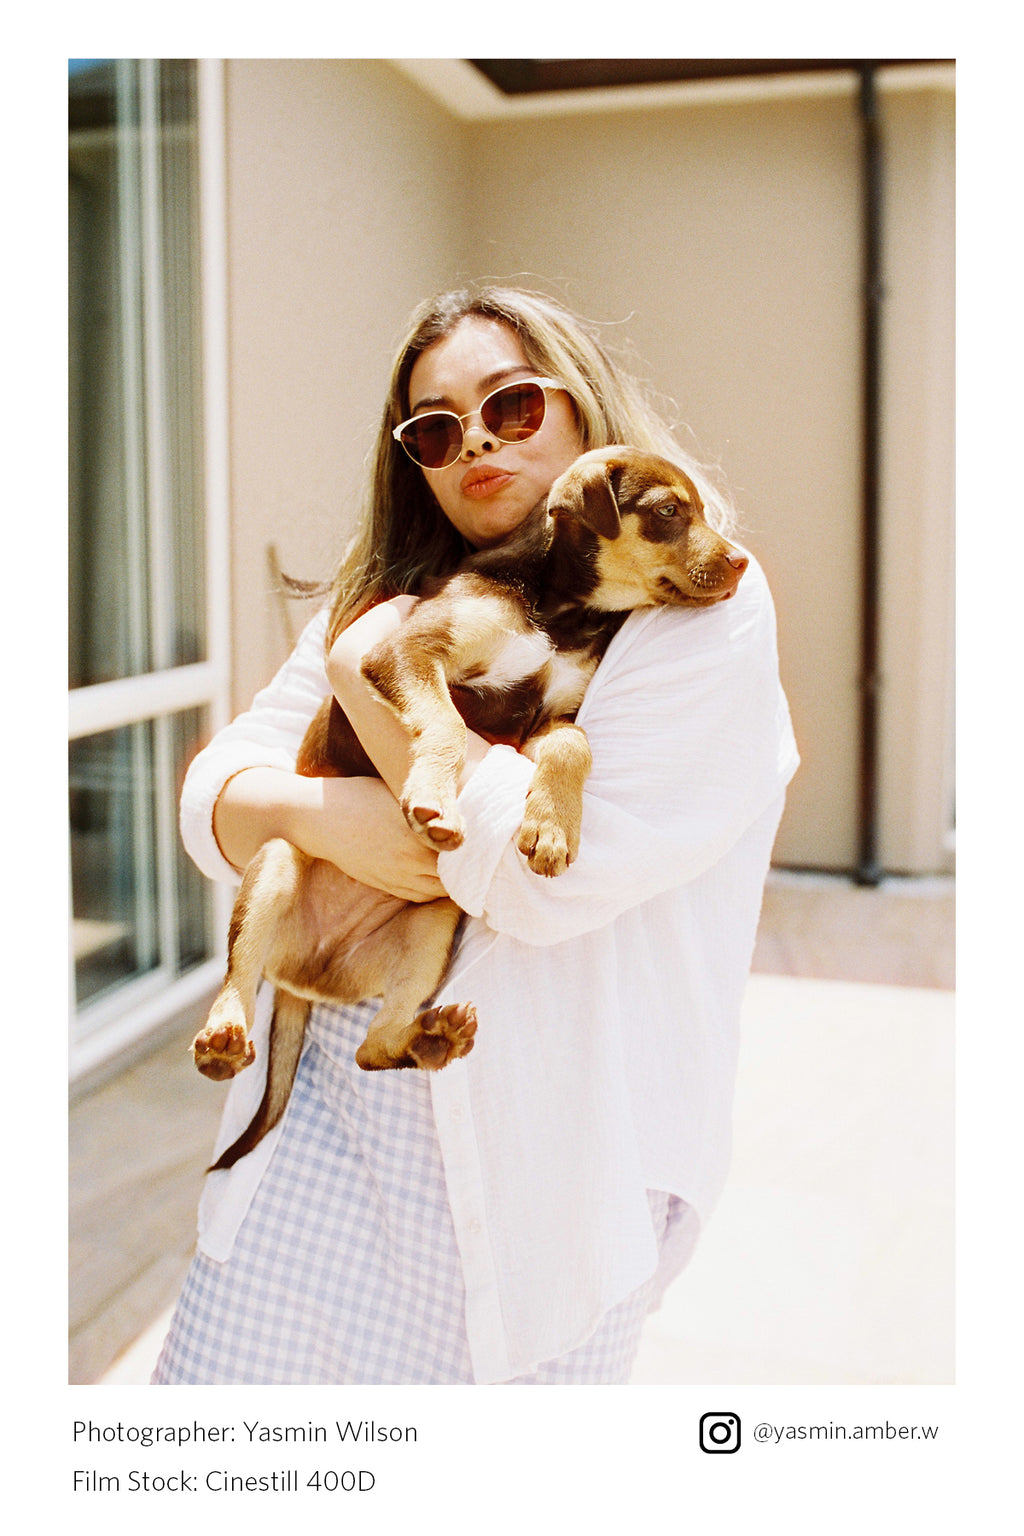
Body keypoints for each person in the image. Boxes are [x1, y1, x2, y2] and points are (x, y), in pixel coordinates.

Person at [152, 284, 799, 1386]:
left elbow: (540, 881)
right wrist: (325, 812)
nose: (478, 445)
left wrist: (371, 693)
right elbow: (211, 793)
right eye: (437, 429)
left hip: (550, 1182)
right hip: (318, 1147)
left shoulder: (697, 611)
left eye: (513, 403)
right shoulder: (396, 594)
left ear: (582, 409)